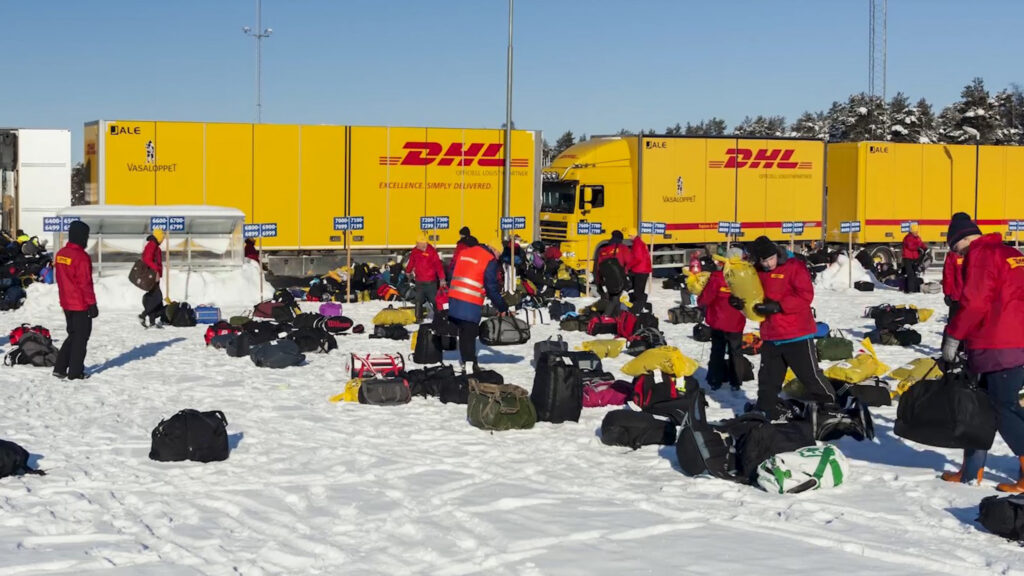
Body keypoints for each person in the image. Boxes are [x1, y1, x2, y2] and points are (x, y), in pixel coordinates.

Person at [941, 213, 1024, 491]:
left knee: (1003, 408)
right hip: (1014, 340)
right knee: (978, 407)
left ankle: (977, 470)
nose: (957, 254)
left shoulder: (981, 255)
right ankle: (971, 470)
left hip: (997, 344)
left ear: (962, 240)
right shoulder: (1011, 253)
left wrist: (954, 335)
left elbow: (975, 302)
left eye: (954, 248)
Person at [730, 236, 836, 417]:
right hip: (771, 335)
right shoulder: (755, 272)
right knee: (768, 380)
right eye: (763, 261)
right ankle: (766, 409)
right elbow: (751, 297)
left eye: (770, 259)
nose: (768, 264)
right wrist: (739, 303)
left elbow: (805, 296)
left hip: (797, 333)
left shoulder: (794, 266)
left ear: (775, 254)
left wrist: (779, 306)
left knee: (809, 376)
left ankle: (830, 405)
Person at [448, 236, 508, 373]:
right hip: (470, 302)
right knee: (469, 334)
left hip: (454, 298)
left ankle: (466, 362)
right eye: (498, 253)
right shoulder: (489, 259)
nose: (498, 257)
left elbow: (451, 271)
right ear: (494, 249)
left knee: (463, 334)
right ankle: (470, 367)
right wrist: (502, 306)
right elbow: (491, 287)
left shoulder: (466, 252)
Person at [54, 220, 97, 380]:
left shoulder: (61, 254)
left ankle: (59, 367)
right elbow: (85, 283)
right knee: (81, 337)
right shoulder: (81, 257)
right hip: (80, 304)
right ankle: (75, 371)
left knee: (72, 334)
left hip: (66, 302)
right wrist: (92, 304)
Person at [698, 253, 746, 391]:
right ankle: (736, 381)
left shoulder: (717, 278)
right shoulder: (745, 278)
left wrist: (701, 303)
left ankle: (715, 380)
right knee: (736, 351)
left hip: (718, 321)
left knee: (717, 350)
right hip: (736, 322)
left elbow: (706, 298)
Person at [406, 234, 447, 322]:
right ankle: (418, 318)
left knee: (434, 301)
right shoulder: (415, 251)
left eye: (418, 243)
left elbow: (438, 266)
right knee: (418, 300)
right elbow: (411, 262)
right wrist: (408, 271)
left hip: (431, 282)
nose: (416, 245)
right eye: (416, 243)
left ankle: (439, 317)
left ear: (424, 243)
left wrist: (442, 279)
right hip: (419, 282)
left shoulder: (432, 251)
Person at [593, 230, 633, 316]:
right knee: (614, 299)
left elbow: (598, 267)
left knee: (615, 298)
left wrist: (599, 282)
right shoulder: (622, 248)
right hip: (619, 278)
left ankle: (617, 317)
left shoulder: (603, 250)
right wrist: (626, 271)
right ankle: (604, 317)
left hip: (607, 279)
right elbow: (629, 261)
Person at [139, 228, 166, 328]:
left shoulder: (155, 245)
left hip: (154, 275)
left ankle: (152, 322)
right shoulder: (152, 245)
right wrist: (156, 270)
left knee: (155, 298)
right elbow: (147, 259)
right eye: (162, 238)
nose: (163, 240)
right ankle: (143, 315)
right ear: (158, 237)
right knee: (157, 297)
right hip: (152, 276)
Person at [625, 226, 652, 313]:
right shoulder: (640, 243)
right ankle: (640, 306)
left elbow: (637, 258)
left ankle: (639, 308)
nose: (629, 237)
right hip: (643, 269)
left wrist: (628, 266)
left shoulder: (637, 244)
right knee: (639, 290)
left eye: (629, 235)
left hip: (640, 270)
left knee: (638, 292)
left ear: (633, 235)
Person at [901, 223, 926, 293]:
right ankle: (910, 289)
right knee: (910, 274)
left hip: (914, 258)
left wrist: (925, 248)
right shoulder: (908, 238)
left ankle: (914, 288)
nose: (916, 233)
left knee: (914, 273)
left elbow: (921, 244)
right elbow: (911, 246)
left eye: (917, 232)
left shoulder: (917, 237)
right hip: (907, 258)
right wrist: (919, 247)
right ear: (912, 232)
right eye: (915, 232)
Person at [942, 248, 965, 318]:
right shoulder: (979, 253)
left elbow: (948, 276)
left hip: (957, 296)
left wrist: (947, 294)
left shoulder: (953, 255)